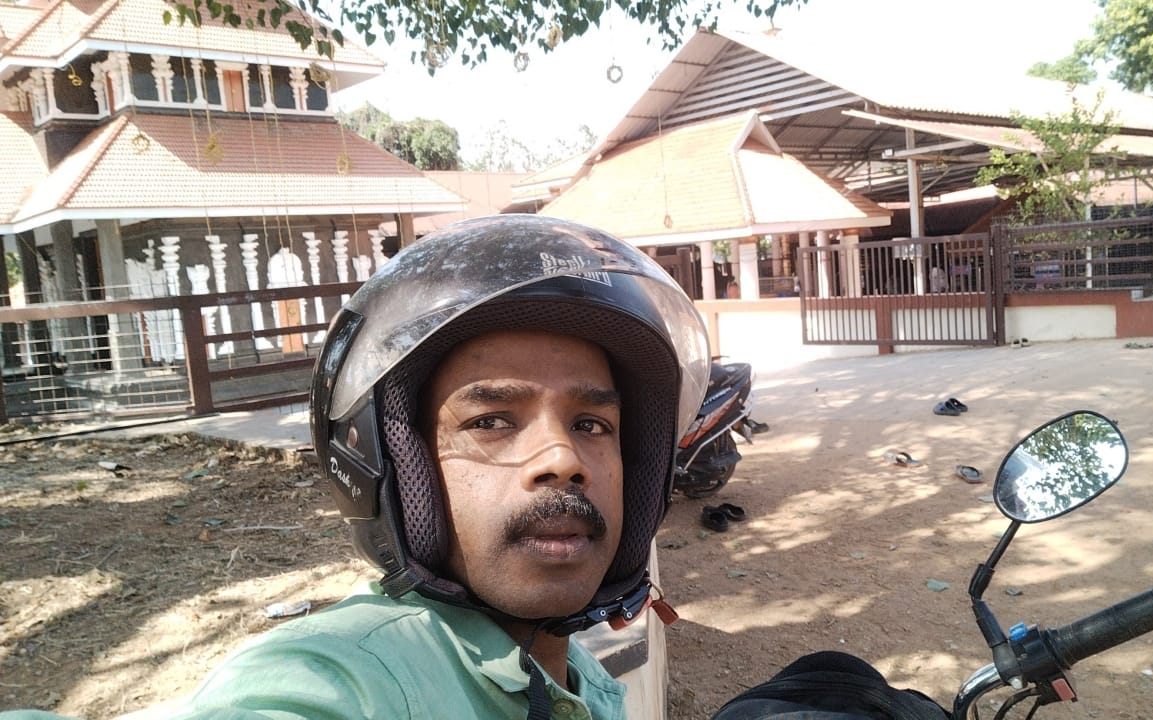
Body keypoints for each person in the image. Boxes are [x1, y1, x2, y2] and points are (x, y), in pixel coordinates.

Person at [0, 215, 710, 720]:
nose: (562, 459)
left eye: (592, 425)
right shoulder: (348, 679)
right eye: (492, 421)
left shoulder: (585, 683)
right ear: (392, 465)